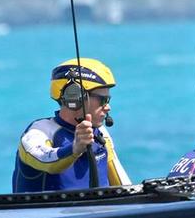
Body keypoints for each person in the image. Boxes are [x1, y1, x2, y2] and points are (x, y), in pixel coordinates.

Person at [12, 57, 130, 192]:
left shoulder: (100, 132)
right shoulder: (39, 131)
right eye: (102, 100)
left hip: (95, 211)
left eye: (108, 99)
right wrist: (75, 148)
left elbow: (124, 185)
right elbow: (46, 160)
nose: (108, 107)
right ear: (74, 97)